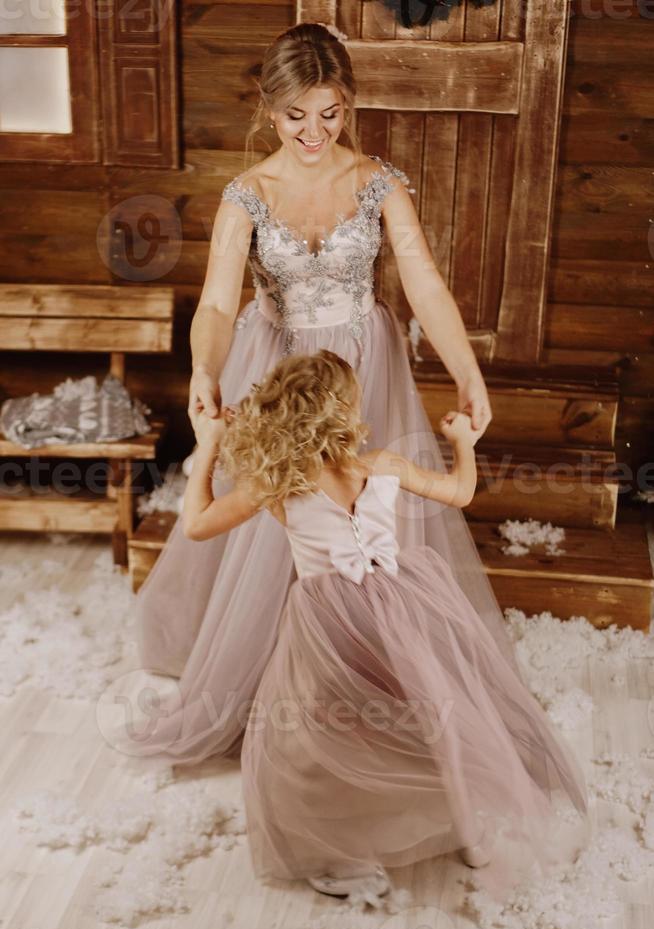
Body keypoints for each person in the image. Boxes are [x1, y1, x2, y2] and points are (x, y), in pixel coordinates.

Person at [132, 21, 514, 765]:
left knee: (360, 517)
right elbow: (215, 304)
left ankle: (366, 672)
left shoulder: (378, 183)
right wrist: (204, 372)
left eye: (330, 112)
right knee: (269, 516)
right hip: (274, 368)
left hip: (360, 370)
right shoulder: (248, 194)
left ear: (349, 105)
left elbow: (425, 283)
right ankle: (266, 676)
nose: (314, 131)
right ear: (268, 110)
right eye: (295, 115)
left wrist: (468, 371)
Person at [179, 349, 591, 903]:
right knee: (429, 713)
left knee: (324, 732)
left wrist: (207, 445)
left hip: (332, 624)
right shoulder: (385, 465)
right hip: (404, 607)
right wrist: (463, 444)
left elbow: (198, 525)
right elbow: (461, 494)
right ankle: (467, 831)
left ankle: (340, 845)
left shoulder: (277, 484)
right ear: (345, 411)